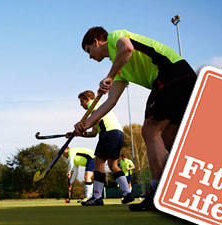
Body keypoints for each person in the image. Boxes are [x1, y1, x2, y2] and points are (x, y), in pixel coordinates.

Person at [74, 27, 197, 211]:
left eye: (88, 50)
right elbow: (110, 102)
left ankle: (158, 194)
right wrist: (86, 124)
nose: (90, 56)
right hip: (177, 78)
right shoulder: (119, 70)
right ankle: (193, 185)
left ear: (97, 41)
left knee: (150, 130)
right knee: (169, 138)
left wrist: (109, 75)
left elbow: (127, 49)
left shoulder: (116, 37)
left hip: (171, 72)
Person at [68, 90, 134, 206]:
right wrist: (79, 133)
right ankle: (127, 194)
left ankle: (97, 197)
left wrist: (82, 128)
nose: (81, 104)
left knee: (99, 164)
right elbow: (93, 133)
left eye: (81, 101)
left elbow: (96, 119)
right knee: (113, 165)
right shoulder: (99, 108)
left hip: (108, 133)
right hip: (117, 133)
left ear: (87, 99)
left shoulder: (93, 105)